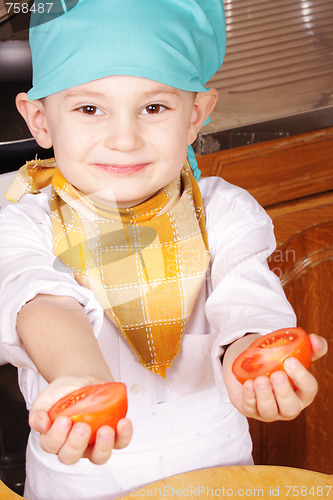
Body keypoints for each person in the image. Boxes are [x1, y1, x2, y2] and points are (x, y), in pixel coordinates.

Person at [0, 1, 327, 499]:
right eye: (90, 109)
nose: (125, 139)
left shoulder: (225, 212)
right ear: (40, 120)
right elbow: (41, 301)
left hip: (218, 468)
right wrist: (79, 377)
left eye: (154, 108)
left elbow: (247, 305)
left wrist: (258, 365)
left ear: (195, 114)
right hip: (81, 478)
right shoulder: (23, 225)